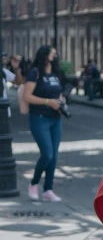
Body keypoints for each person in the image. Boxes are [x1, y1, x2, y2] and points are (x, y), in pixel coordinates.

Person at [23, 46, 64, 202]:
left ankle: (48, 190)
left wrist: (61, 103)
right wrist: (48, 102)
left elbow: (58, 93)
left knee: (54, 157)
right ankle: (33, 184)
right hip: (39, 118)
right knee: (47, 154)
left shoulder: (54, 74)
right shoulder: (35, 73)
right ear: (45, 56)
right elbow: (27, 96)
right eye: (53, 53)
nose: (56, 55)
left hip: (55, 119)